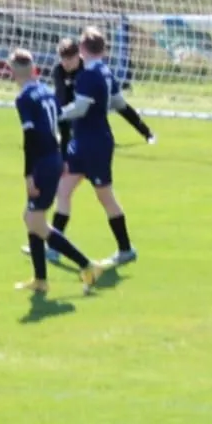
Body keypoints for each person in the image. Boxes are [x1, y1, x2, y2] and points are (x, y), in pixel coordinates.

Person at [8, 49, 98, 293]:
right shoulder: (47, 91)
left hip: (42, 163)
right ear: (34, 69)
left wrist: (28, 175)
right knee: (33, 219)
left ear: (12, 72)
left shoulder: (24, 99)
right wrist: (63, 156)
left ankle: (87, 265)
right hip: (54, 159)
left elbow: (30, 139)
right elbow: (62, 125)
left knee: (35, 221)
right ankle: (40, 280)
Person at [56, 28, 139, 265]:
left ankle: (125, 249)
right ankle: (53, 246)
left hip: (94, 143)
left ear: (82, 49)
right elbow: (118, 102)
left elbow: (80, 109)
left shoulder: (89, 75)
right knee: (63, 190)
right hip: (85, 141)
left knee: (105, 197)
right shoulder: (104, 71)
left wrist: (55, 114)